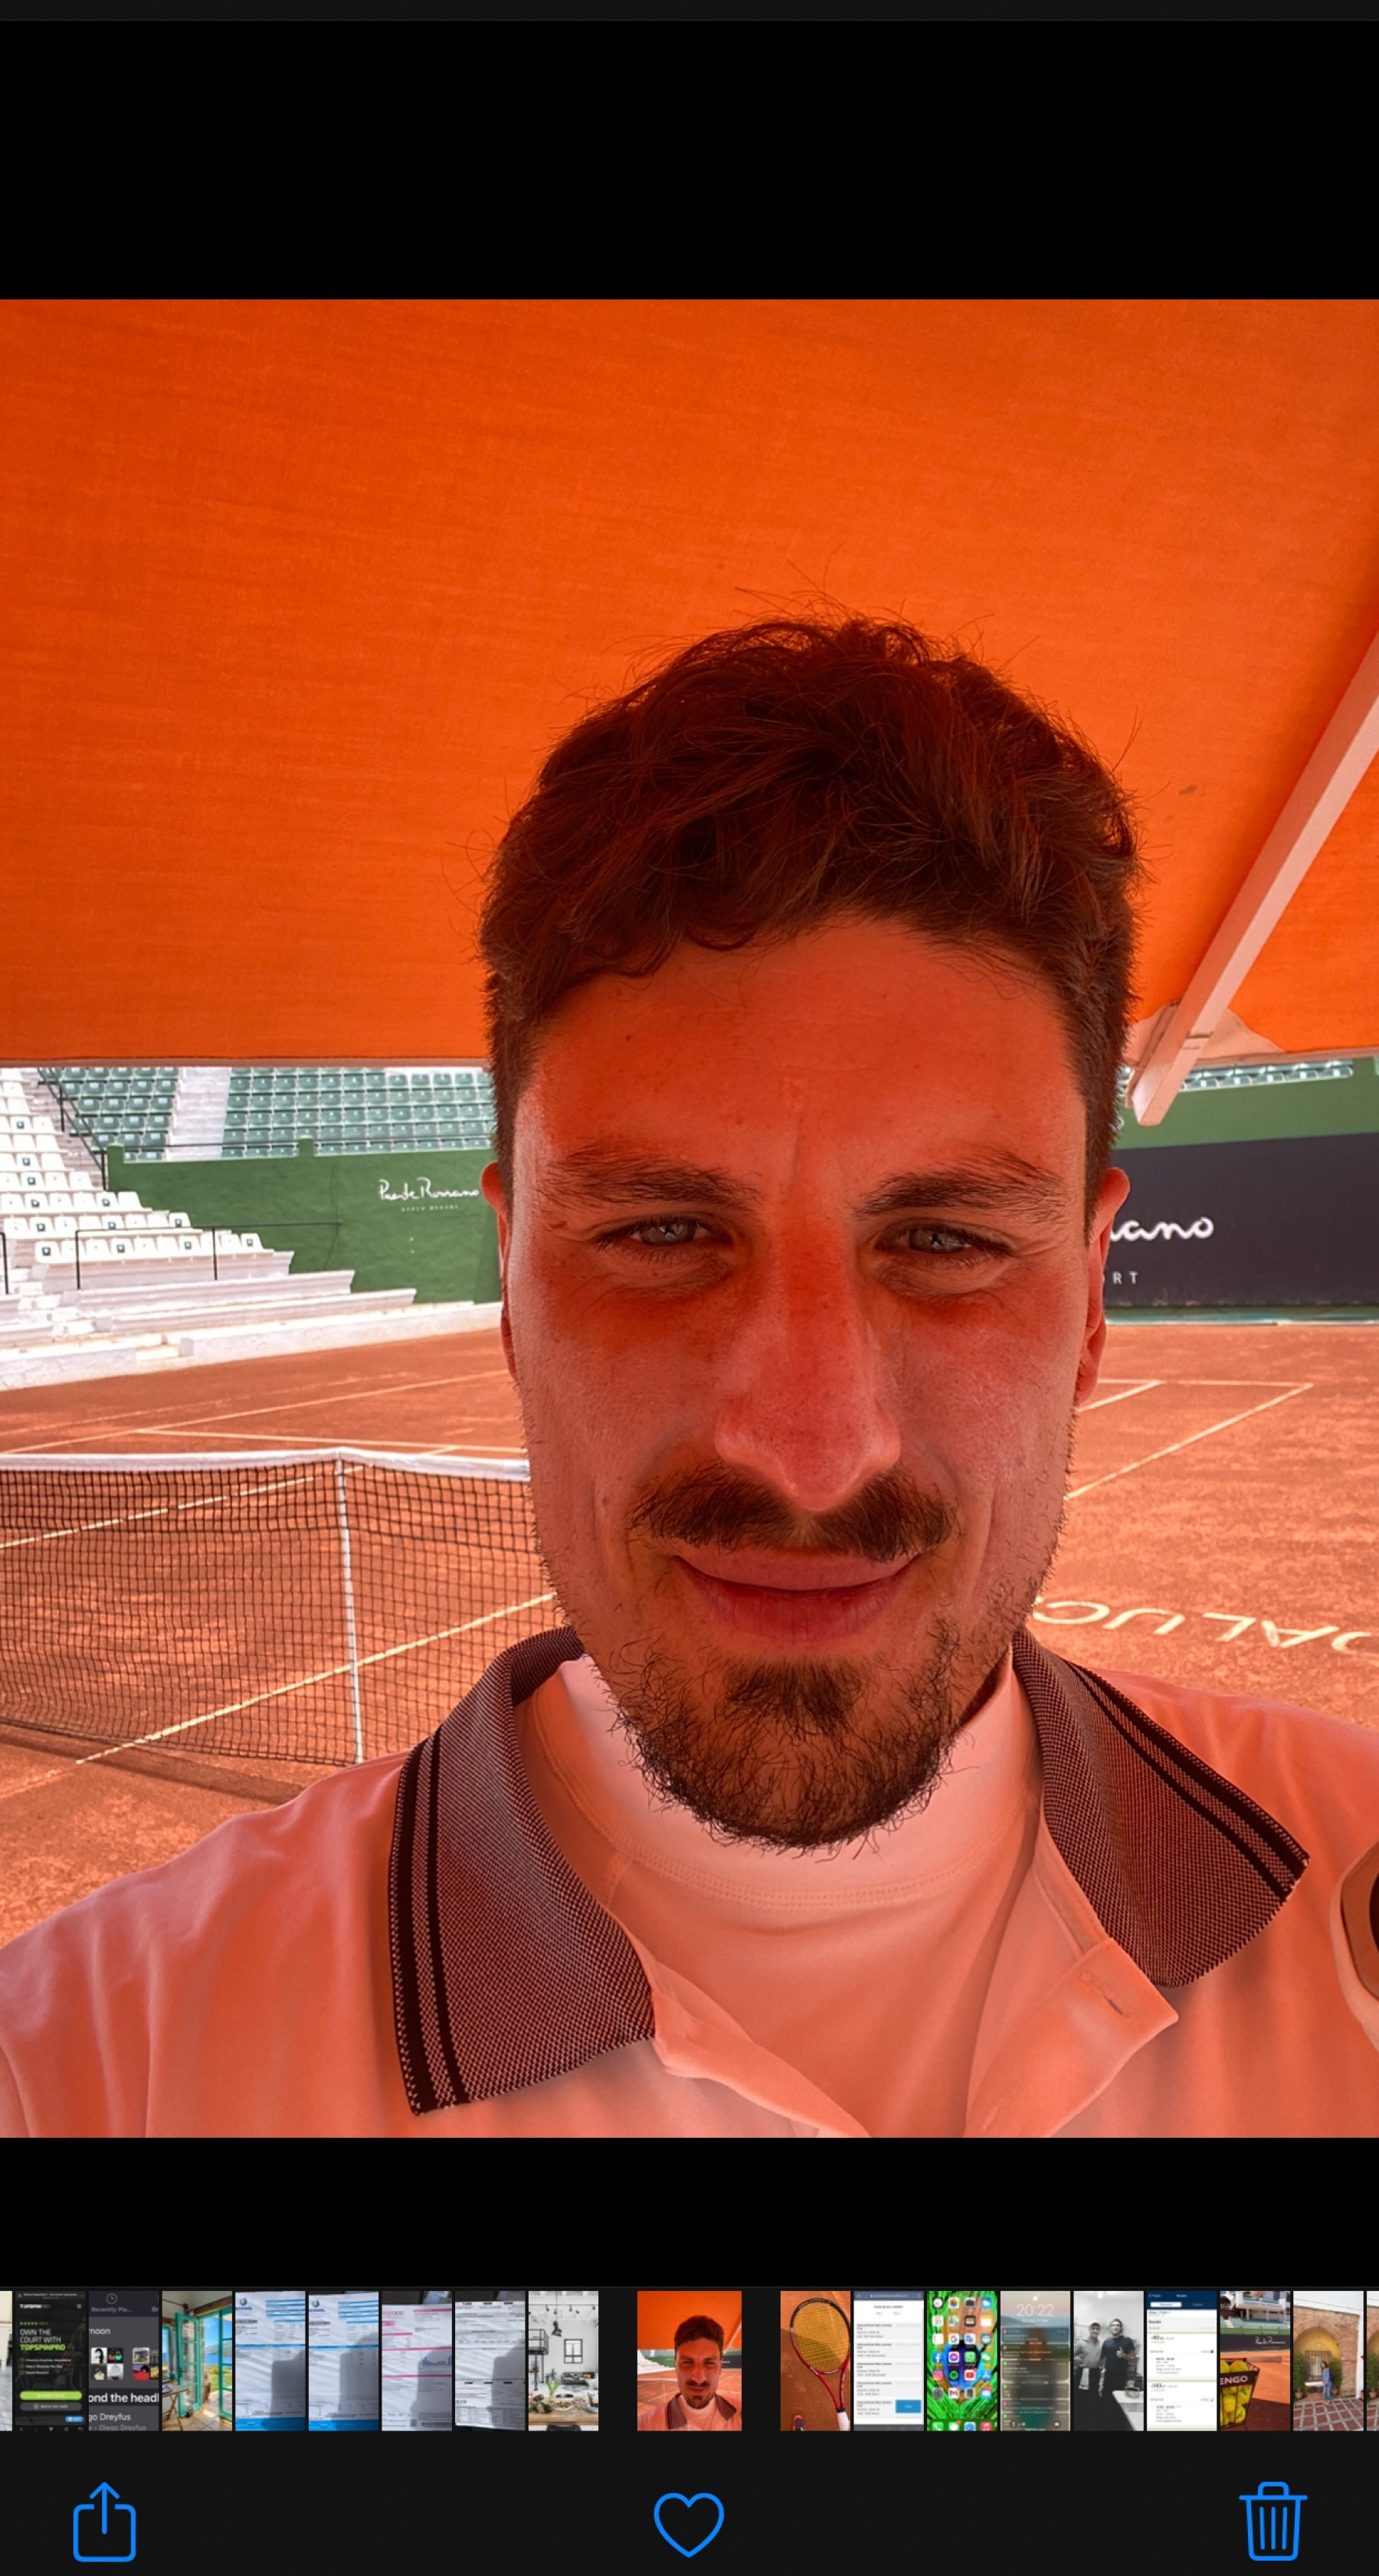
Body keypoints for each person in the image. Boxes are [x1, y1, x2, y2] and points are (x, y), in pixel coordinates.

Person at [4, 611, 1379, 2136]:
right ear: (514, 1282)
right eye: (661, 1233)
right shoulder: (89, 2069)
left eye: (944, 1239)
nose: (811, 1446)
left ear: (1094, 1297)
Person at [637, 2318, 741, 2430]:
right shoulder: (645, 2425)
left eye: (709, 2363)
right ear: (676, 2365)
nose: (699, 2379)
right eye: (687, 2362)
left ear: (720, 2367)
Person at [1076, 2323, 1103, 2411]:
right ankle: (1078, 2416)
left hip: (1095, 2372)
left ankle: (1091, 2416)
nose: (1095, 2331)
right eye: (1093, 2328)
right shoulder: (1081, 2343)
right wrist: (1075, 2359)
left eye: (1097, 2329)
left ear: (1099, 2331)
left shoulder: (1101, 2344)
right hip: (1082, 2372)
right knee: (1080, 2395)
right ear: (1089, 2330)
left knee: (1093, 2395)